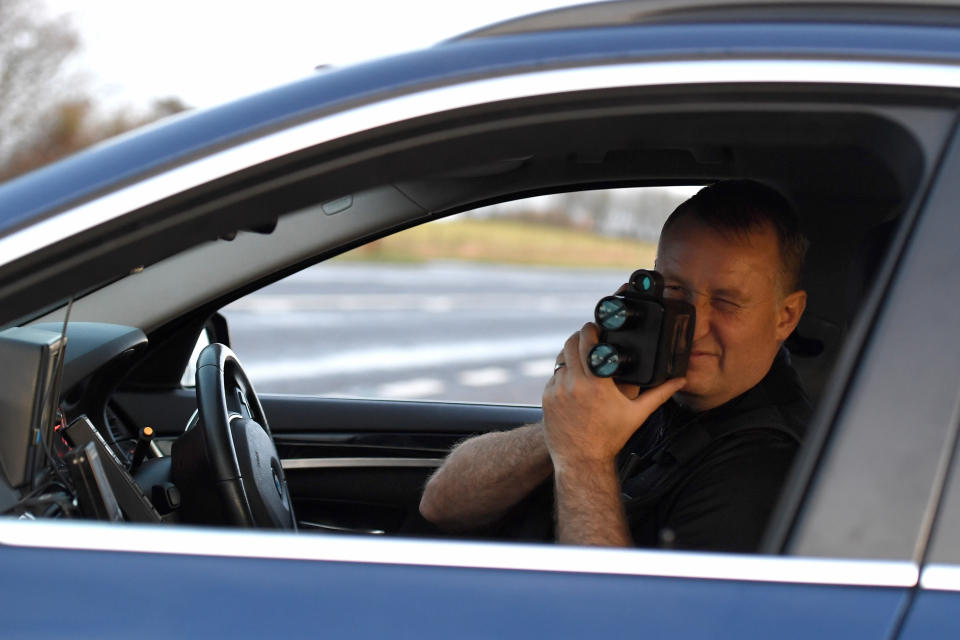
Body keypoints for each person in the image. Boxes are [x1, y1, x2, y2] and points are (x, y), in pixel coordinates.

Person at [419, 180, 811, 551]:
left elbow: (615, 621)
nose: (692, 328)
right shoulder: (651, 388)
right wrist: (569, 426)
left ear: (786, 316)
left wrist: (585, 459)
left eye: (726, 302)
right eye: (674, 290)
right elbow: (441, 505)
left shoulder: (764, 467)